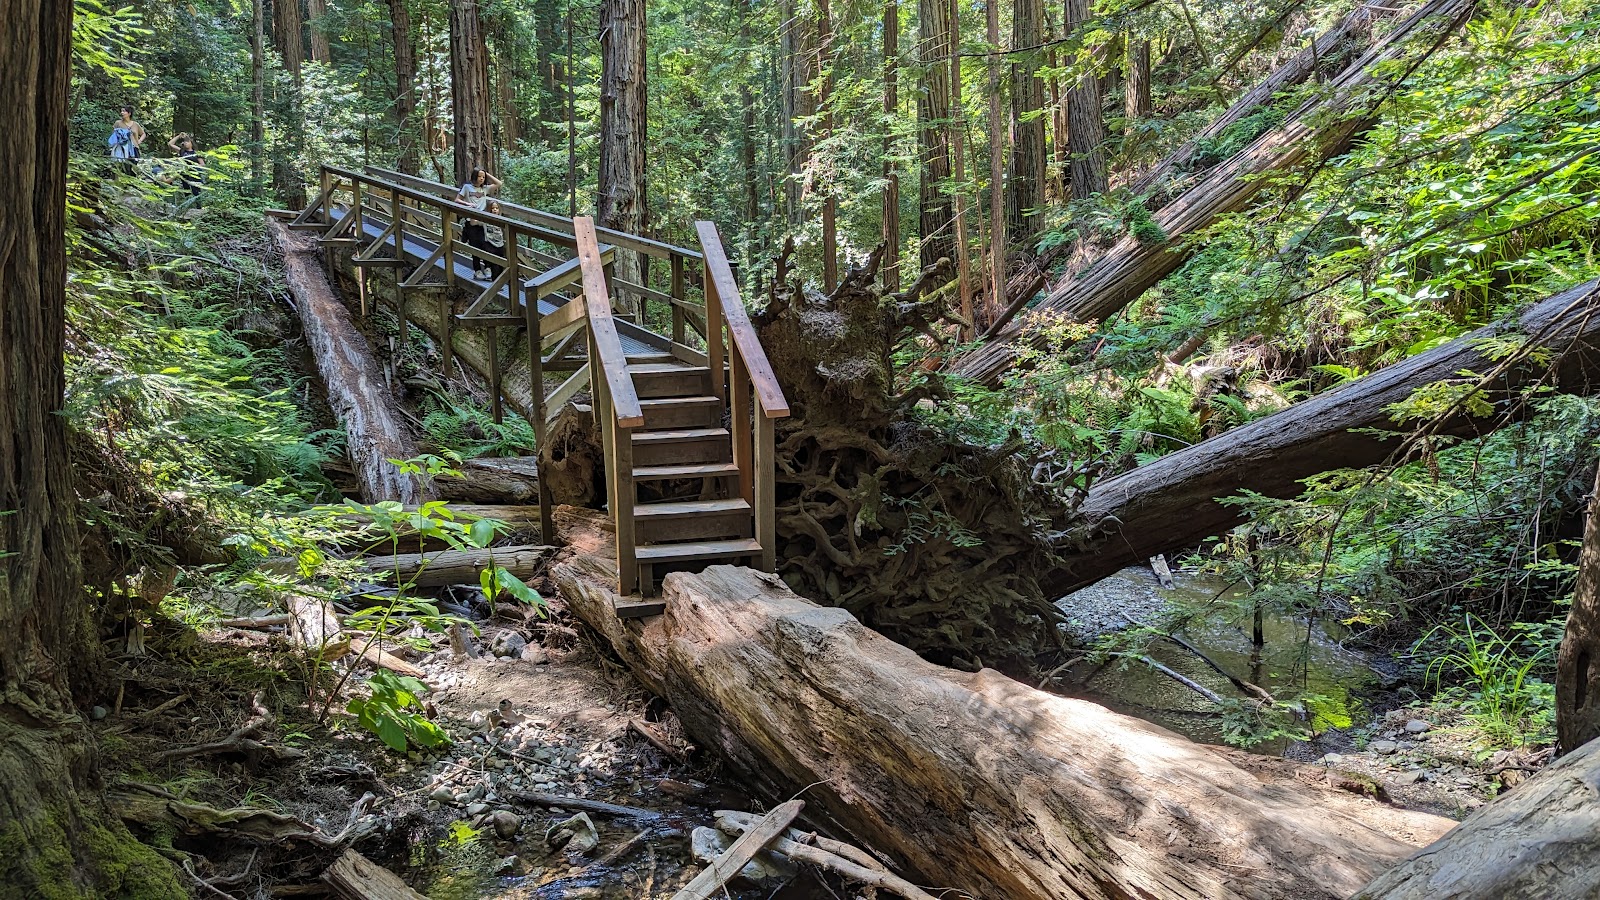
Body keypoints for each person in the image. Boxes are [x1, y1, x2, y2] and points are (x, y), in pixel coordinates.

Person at [455, 167, 502, 280]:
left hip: (483, 222)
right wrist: (468, 204)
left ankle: (487, 268)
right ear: (474, 176)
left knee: (485, 245)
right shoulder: (467, 187)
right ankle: (477, 270)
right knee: (475, 246)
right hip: (471, 222)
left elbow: (499, 183)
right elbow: (457, 200)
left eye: (483, 177)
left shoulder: (484, 189)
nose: (481, 179)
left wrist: (487, 174)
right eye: (480, 176)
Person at [108, 106, 146, 171]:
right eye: (121, 111)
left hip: (134, 149)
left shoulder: (135, 124)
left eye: (124, 111)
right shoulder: (118, 123)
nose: (122, 113)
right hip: (121, 149)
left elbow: (143, 134)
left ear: (129, 113)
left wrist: (139, 141)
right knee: (122, 168)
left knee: (133, 168)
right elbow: (113, 135)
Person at [167, 133, 205, 197]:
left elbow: (203, 164)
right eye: (184, 142)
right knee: (186, 191)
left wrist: (194, 167)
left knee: (196, 191)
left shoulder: (196, 153)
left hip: (194, 174)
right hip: (184, 174)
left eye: (187, 142)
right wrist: (179, 136)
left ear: (191, 143)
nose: (185, 143)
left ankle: (198, 206)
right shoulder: (182, 151)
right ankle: (188, 205)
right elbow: (170, 144)